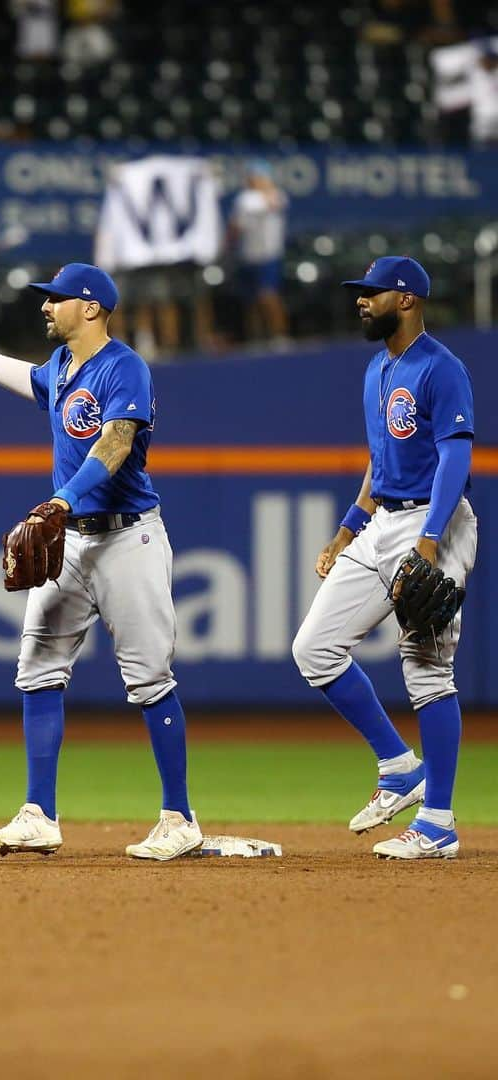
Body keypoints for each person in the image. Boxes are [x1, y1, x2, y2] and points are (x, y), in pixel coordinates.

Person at [0, 263, 201, 861]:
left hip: (129, 540)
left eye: (57, 299)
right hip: (70, 538)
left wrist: (64, 496)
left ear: (92, 307)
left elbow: (117, 443)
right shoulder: (64, 368)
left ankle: (179, 818)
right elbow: (32, 379)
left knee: (149, 679)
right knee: (37, 667)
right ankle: (39, 814)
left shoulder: (124, 366)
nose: (46, 307)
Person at [292, 256, 476, 859]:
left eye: (372, 293)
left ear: (407, 299)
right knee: (314, 648)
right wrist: (348, 530)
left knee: (426, 668)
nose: (361, 302)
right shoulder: (376, 369)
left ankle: (440, 823)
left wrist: (429, 538)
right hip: (382, 523)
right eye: (361, 293)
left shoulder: (441, 368)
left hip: (433, 522)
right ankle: (399, 766)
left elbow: (454, 458)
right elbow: (379, 461)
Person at [229, 160, 289, 345]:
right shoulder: (244, 198)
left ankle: (279, 335)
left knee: (268, 296)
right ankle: (256, 337)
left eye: (259, 177)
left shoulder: (277, 195)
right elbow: (235, 226)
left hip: (269, 256)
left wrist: (266, 189)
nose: (255, 181)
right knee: (250, 300)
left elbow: (273, 203)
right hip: (248, 256)